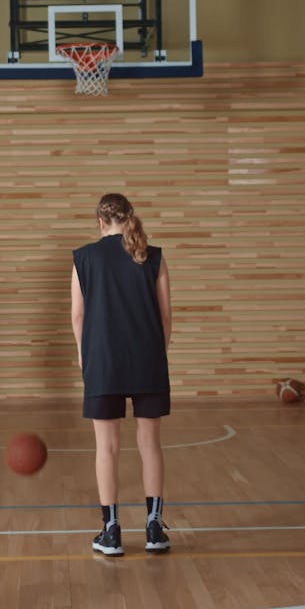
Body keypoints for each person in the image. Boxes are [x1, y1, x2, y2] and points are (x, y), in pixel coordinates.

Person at [71, 193, 172, 557]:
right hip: (147, 359)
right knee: (150, 445)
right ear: (130, 217)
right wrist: (156, 356)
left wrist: (86, 358)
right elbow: (165, 318)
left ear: (100, 222)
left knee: (107, 448)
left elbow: (78, 316)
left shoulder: (84, 257)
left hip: (103, 360)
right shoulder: (154, 256)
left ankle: (111, 532)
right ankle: (154, 529)